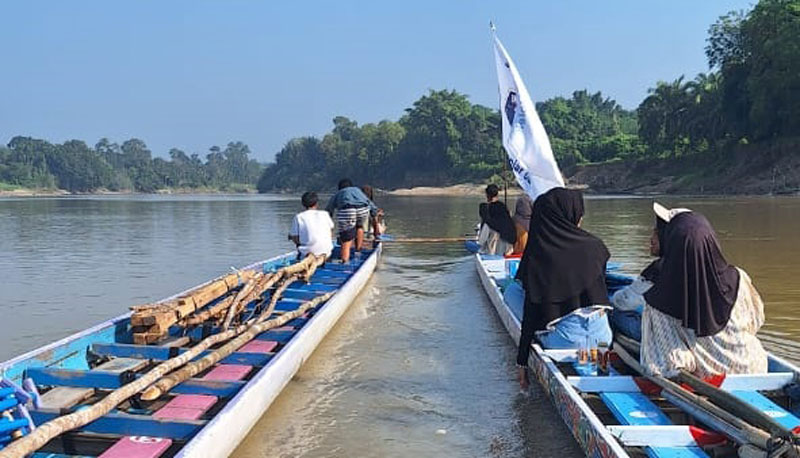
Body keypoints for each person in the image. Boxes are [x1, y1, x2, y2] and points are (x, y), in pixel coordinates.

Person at [639, 204, 768, 378]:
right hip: (755, 367)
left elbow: (673, 363)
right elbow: (756, 321)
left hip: (711, 378)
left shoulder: (659, 299)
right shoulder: (739, 277)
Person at [515, 187, 611, 390]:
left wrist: (521, 361)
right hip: (602, 338)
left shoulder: (539, 254)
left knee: (512, 293)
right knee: (589, 338)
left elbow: (530, 313)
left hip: (565, 341)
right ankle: (598, 366)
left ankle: (584, 365)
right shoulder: (596, 246)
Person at [609, 203, 691, 340]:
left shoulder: (659, 269)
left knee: (615, 312)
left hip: (664, 338)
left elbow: (624, 302)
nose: (651, 240)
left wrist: (612, 300)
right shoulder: (701, 268)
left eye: (656, 234)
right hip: (688, 334)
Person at [325, 178, 378, 264]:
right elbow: (371, 205)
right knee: (359, 226)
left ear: (340, 187)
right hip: (363, 209)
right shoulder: (358, 191)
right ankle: (358, 250)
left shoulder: (338, 193)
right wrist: (376, 230)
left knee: (346, 237)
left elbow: (329, 211)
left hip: (347, 210)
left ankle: (345, 260)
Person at [288, 191, 334, 260]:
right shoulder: (325, 214)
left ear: (303, 204)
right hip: (327, 253)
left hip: (308, 254)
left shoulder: (299, 217)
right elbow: (330, 233)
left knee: (293, 237)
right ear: (316, 203)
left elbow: (296, 239)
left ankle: (300, 258)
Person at [477, 184, 516, 255]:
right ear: (497, 194)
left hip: (496, 248)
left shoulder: (488, 215)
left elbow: (481, 241)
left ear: (487, 195)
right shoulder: (503, 208)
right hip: (509, 245)